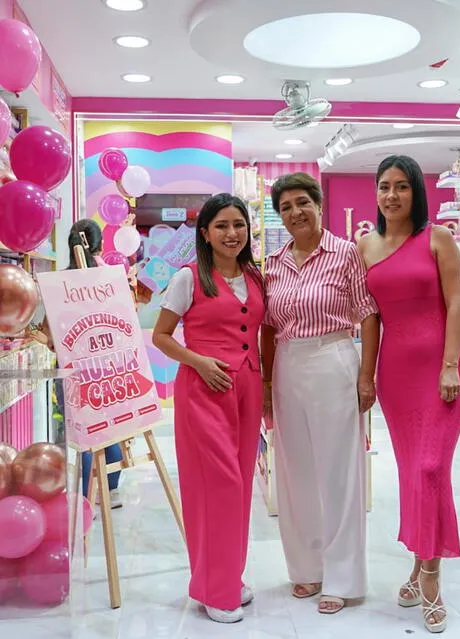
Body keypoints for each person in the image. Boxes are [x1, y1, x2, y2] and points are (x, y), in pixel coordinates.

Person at [360, 156, 460, 634]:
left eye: (402, 187)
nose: (392, 195)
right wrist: (366, 377)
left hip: (445, 372)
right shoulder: (365, 246)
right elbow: (370, 319)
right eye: (385, 186)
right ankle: (416, 565)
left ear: (416, 193)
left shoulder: (438, 238)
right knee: (413, 473)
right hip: (396, 377)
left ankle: (430, 578)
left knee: (430, 468)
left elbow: (455, 302)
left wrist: (450, 364)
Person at [261, 172, 379, 615]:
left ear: (318, 204)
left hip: (333, 358)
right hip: (289, 364)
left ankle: (343, 577)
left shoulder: (346, 253)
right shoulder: (273, 263)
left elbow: (368, 316)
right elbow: (268, 329)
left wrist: (366, 376)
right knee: (295, 472)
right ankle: (306, 569)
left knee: (339, 472)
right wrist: (268, 383)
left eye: (302, 203)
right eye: (286, 207)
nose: (295, 212)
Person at [152, 194, 264, 624]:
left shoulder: (255, 277)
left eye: (239, 224)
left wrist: (267, 386)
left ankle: (227, 577)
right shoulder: (188, 277)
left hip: (248, 388)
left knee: (241, 487)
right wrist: (198, 360)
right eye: (221, 226)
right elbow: (162, 335)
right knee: (218, 486)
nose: (232, 233)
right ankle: (215, 590)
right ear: (205, 233)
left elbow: (260, 332)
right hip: (205, 390)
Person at [44, 220, 124, 507]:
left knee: (81, 436)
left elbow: (50, 332)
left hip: (72, 370)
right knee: (111, 428)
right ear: (100, 245)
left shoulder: (59, 283)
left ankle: (84, 498)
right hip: (109, 367)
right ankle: (112, 490)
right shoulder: (110, 278)